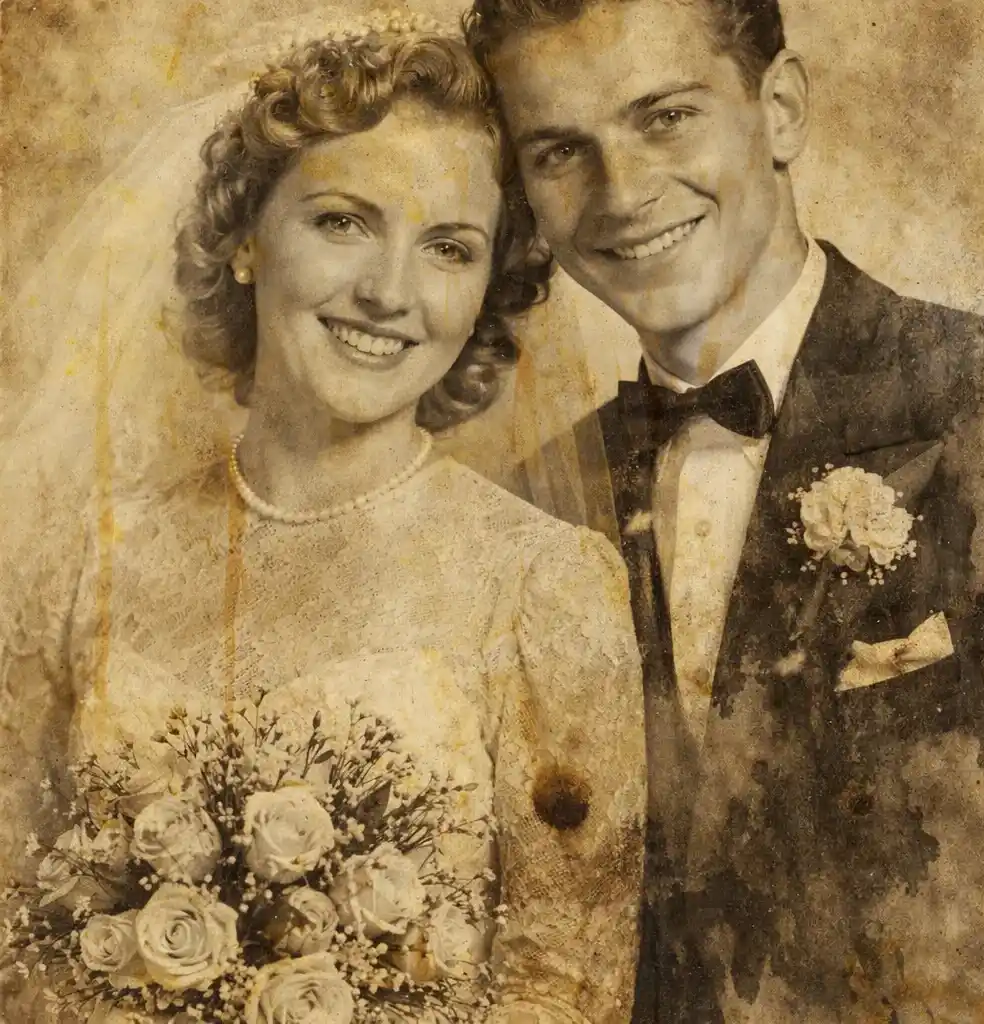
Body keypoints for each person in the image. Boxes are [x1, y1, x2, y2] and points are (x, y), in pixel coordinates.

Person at [0, 22, 646, 1024]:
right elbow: (15, 934)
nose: (388, 292)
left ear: (487, 290)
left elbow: (570, 989)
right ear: (247, 239)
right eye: (343, 222)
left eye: (448, 248)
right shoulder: (88, 557)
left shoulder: (545, 585)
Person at [464, 0, 984, 1020]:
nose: (622, 194)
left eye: (667, 116)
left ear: (781, 110)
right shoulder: (533, 504)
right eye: (560, 151)